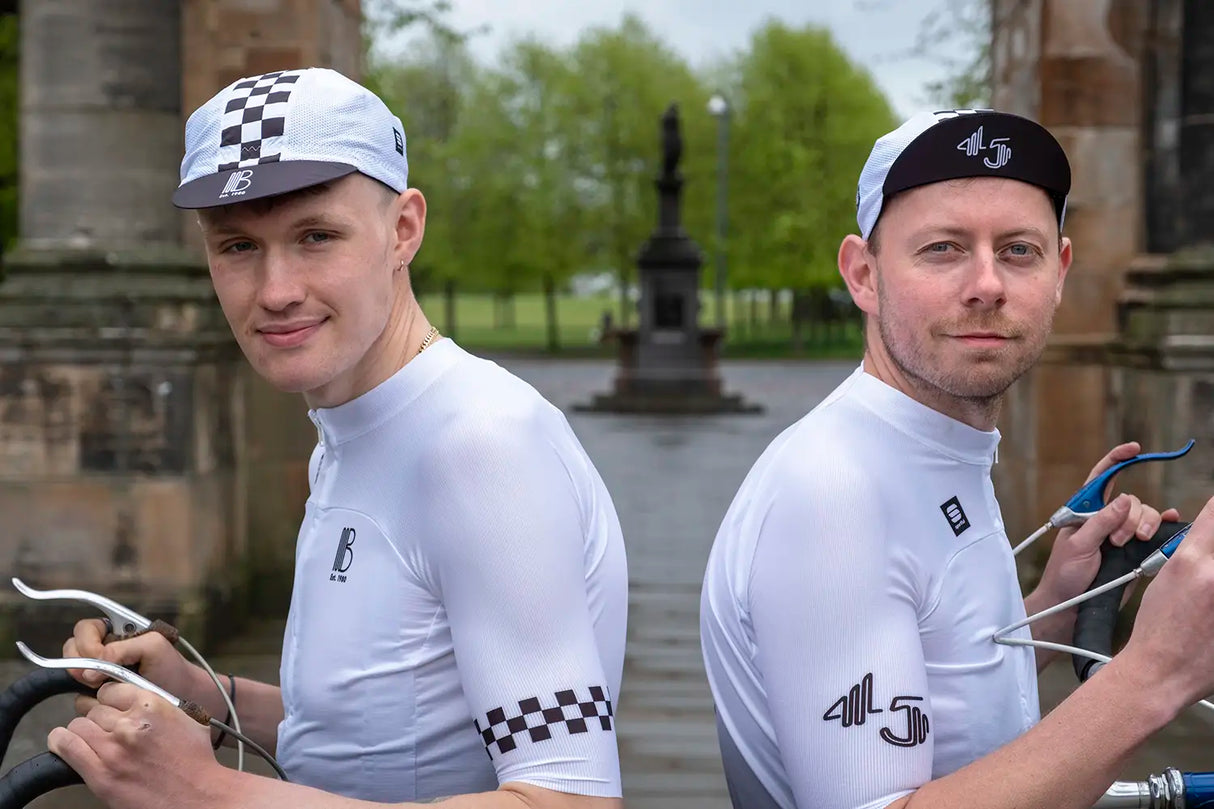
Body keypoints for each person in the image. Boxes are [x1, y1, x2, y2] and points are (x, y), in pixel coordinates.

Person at [47, 67, 628, 809]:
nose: (276, 289)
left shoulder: (481, 445)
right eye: (237, 247)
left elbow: (571, 800)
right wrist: (204, 693)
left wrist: (205, 792)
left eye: (315, 235)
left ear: (404, 230)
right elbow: (383, 732)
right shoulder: (355, 428)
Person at [699, 107, 1214, 809]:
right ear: (863, 274)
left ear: (1059, 272)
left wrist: (1056, 608)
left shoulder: (933, 449)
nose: (987, 284)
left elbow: (937, 691)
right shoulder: (832, 492)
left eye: (1018, 250)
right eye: (943, 248)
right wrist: (1156, 670)